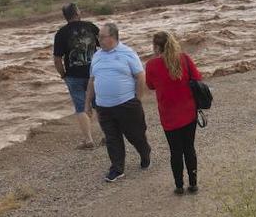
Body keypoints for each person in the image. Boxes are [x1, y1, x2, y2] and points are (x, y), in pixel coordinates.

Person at [85, 22, 150, 182]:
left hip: (127, 104)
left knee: (135, 135)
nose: (98, 39)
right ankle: (117, 168)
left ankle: (144, 151)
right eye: (98, 37)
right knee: (112, 138)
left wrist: (138, 99)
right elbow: (92, 80)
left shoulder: (128, 53)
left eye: (101, 37)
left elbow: (141, 76)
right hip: (103, 106)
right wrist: (87, 103)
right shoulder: (97, 56)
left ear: (113, 37)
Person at [144, 31, 202, 194]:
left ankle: (178, 186)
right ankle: (193, 184)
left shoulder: (151, 65)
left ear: (156, 47)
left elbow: (150, 86)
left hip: (169, 115)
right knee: (189, 148)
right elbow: (197, 78)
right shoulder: (184, 58)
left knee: (175, 151)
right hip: (188, 111)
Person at [52, 3, 100, 150]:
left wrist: (63, 75)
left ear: (65, 16)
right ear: (78, 13)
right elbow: (104, 46)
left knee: (80, 107)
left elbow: (57, 59)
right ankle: (107, 135)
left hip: (73, 76)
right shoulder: (91, 27)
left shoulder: (61, 33)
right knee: (100, 104)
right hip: (94, 72)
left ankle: (88, 140)